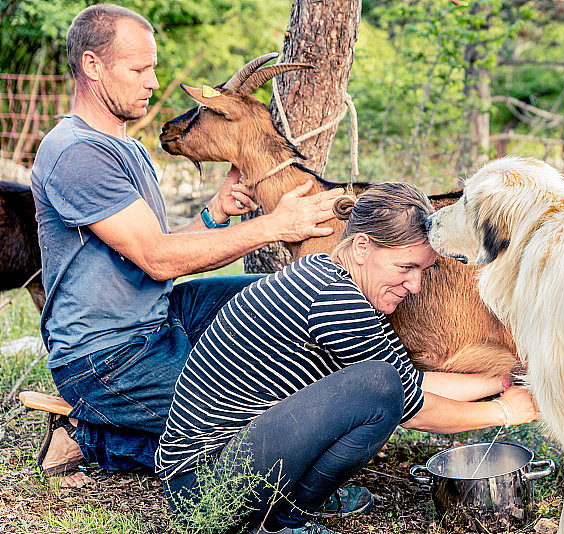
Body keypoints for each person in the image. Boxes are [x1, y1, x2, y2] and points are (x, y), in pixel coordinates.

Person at [29, 3, 342, 481]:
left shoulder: (126, 148)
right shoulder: (76, 153)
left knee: (293, 299)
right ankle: (91, 436)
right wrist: (274, 226)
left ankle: (131, 430)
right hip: (107, 358)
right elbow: (156, 259)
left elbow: (153, 247)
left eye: (152, 67)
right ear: (92, 66)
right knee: (257, 401)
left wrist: (215, 214)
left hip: (161, 317)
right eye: (139, 69)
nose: (154, 82)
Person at [156, 183, 540, 534]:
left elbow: (412, 382)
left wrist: (500, 383)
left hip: (229, 463)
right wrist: (503, 413)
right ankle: (285, 523)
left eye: (424, 270)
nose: (416, 285)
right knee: (379, 387)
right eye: (405, 267)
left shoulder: (328, 275)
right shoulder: (335, 301)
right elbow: (412, 406)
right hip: (204, 488)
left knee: (385, 382)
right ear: (361, 247)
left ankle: (285, 509)